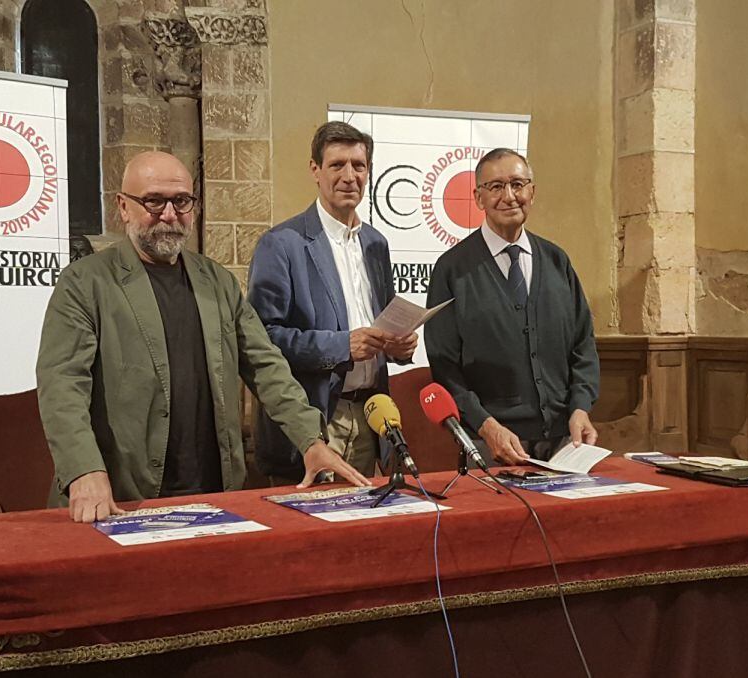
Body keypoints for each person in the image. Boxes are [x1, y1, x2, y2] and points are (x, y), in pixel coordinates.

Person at [36, 151, 370, 522]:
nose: (168, 214)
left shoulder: (217, 281)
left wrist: (311, 440)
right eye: (153, 201)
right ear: (123, 207)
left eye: (181, 201)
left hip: (212, 492)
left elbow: (266, 366)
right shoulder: (85, 283)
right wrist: (83, 469)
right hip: (124, 494)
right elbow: (62, 386)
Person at [248, 122, 417, 483]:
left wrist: (399, 345)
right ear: (315, 170)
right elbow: (263, 337)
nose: (349, 176)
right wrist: (342, 345)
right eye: (337, 164)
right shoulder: (282, 243)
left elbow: (382, 321)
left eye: (358, 165)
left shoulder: (376, 244)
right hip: (316, 416)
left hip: (370, 413)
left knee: (364, 532)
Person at [424, 148, 599, 465]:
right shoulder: (451, 270)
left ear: (532, 192)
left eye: (518, 184)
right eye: (495, 187)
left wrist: (580, 407)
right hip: (491, 446)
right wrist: (486, 427)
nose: (509, 196)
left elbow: (583, 345)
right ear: (478, 198)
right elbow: (444, 367)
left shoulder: (557, 261)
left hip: (565, 443)